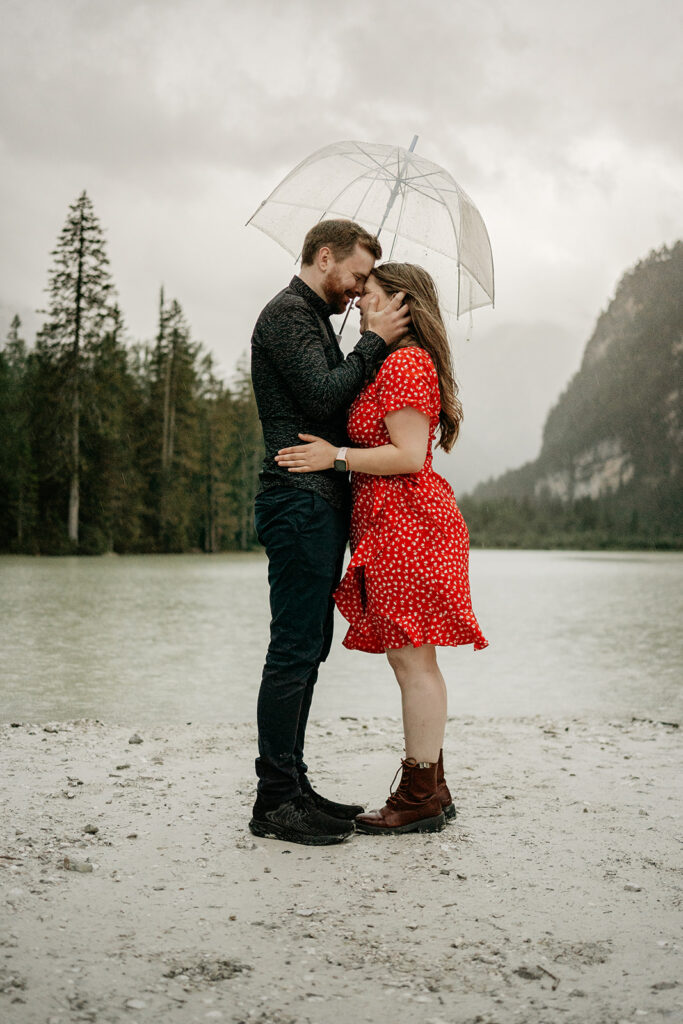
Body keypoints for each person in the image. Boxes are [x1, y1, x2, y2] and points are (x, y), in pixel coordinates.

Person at [275, 262, 488, 835]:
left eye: (368, 294)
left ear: (400, 304)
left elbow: (408, 455)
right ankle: (431, 788)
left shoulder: (405, 362)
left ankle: (420, 793)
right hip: (392, 525)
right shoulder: (389, 363)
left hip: (410, 524)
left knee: (411, 658)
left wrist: (335, 455)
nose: (358, 301)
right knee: (413, 657)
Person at [249, 220, 411, 846]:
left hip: (313, 506)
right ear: (324, 257)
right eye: (358, 275)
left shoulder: (314, 319)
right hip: (297, 501)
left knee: (310, 645)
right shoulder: (288, 315)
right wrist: (371, 343)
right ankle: (274, 801)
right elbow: (322, 400)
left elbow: (335, 403)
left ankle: (294, 783)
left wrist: (359, 348)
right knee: (293, 648)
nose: (360, 288)